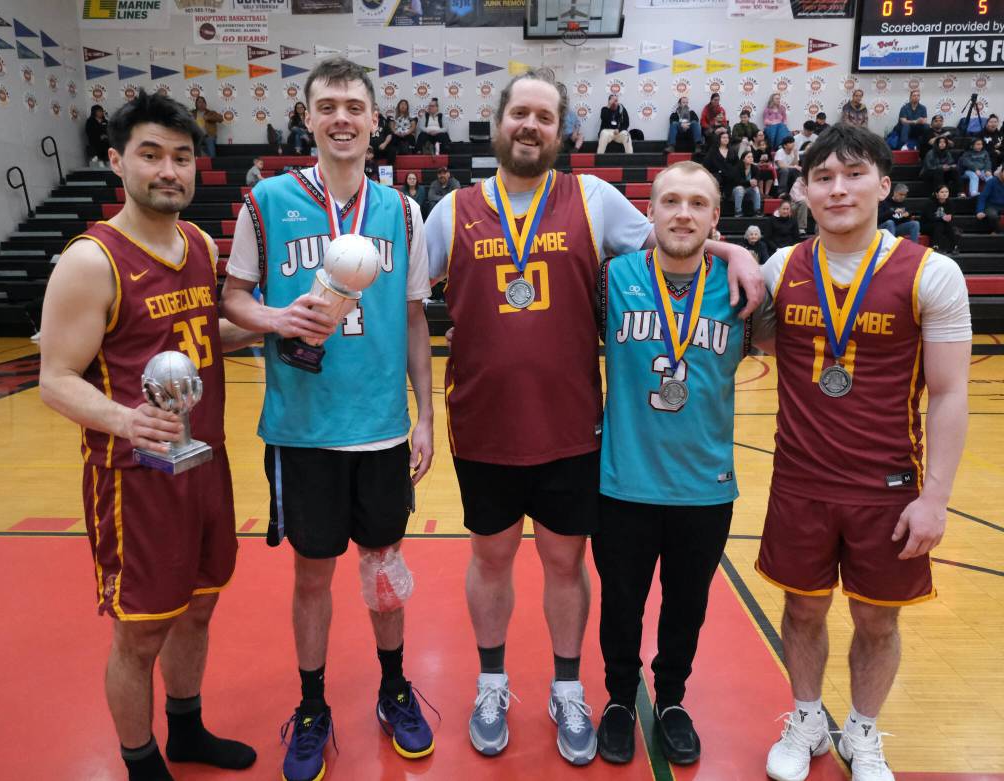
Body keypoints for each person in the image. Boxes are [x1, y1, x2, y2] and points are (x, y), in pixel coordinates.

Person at [424, 67, 764, 767]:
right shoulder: (450, 210)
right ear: (497, 123)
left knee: (565, 563)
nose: (530, 126)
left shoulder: (596, 199)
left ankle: (569, 688)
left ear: (562, 131)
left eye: (545, 117)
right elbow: (402, 298)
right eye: (519, 112)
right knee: (489, 558)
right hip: (482, 427)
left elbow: (676, 241)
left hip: (573, 432)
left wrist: (733, 248)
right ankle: (492, 682)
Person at [220, 57, 436, 781]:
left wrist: (425, 417)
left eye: (354, 105)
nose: (341, 118)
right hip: (302, 429)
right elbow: (234, 298)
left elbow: (412, 321)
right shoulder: (266, 201)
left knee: (383, 569)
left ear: (375, 121)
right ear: (307, 118)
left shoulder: (403, 212)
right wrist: (276, 318)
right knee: (313, 575)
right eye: (327, 106)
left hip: (380, 427)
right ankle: (313, 704)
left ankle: (394, 686)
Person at [38, 89, 258, 781]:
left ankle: (187, 730)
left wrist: (270, 323)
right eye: (151, 154)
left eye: (182, 157)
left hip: (206, 462)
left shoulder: (196, 242)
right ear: (116, 161)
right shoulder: (89, 259)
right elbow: (55, 377)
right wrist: (125, 419)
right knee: (140, 631)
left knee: (198, 608)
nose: (170, 170)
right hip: (134, 477)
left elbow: (198, 337)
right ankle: (140, 762)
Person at [759, 123, 971, 781]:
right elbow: (749, 339)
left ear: (884, 183)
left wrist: (935, 497)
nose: (838, 188)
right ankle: (806, 718)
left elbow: (950, 393)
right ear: (805, 190)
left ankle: (864, 731)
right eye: (822, 177)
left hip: (888, 485)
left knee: (877, 621)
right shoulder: (781, 268)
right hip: (799, 478)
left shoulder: (932, 273)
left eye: (853, 174)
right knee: (802, 608)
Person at [592, 162, 776, 767]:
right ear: (650, 212)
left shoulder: (740, 290)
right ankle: (620, 700)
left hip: (705, 486)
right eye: (670, 201)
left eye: (698, 204)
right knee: (621, 604)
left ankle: (670, 700)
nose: (683, 214)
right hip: (624, 482)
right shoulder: (611, 278)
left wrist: (740, 256)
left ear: (715, 218)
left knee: (686, 607)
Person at [920, 185, 961, 253]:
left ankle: (954, 246)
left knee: (946, 225)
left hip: (942, 224)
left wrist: (949, 217)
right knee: (939, 224)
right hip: (927, 225)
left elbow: (951, 215)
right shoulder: (930, 203)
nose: (945, 193)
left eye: (946, 192)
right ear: (937, 194)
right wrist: (942, 218)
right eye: (942, 192)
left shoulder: (950, 203)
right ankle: (935, 246)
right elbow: (930, 217)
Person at [702, 129, 736, 196]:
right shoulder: (714, 150)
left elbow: (736, 163)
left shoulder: (732, 150)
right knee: (716, 178)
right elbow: (707, 163)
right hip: (716, 172)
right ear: (719, 139)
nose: (726, 139)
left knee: (732, 177)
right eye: (723, 137)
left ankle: (728, 196)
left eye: (727, 138)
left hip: (729, 173)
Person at [730, 149, 762, 217]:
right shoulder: (737, 168)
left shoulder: (755, 168)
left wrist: (755, 182)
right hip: (736, 192)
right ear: (743, 159)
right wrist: (749, 182)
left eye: (752, 157)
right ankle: (738, 211)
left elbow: (757, 178)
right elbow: (736, 181)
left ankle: (757, 210)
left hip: (748, 192)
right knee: (740, 189)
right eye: (748, 157)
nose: (751, 158)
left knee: (756, 188)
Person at [975, 165, 1004, 234]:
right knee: (993, 216)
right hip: (991, 206)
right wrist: (980, 211)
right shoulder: (991, 182)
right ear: (1001, 172)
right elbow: (982, 197)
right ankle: (999, 233)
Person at [747, 128, 776, 197]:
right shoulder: (749, 147)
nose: (762, 136)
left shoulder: (767, 148)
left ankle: (767, 194)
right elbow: (749, 160)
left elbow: (770, 159)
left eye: (763, 135)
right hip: (754, 166)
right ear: (754, 138)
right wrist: (757, 164)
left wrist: (768, 163)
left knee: (769, 173)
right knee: (759, 172)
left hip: (765, 166)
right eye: (760, 135)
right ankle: (761, 194)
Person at [560, 84, 585, 151]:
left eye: (566, 101)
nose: (565, 103)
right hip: (561, 135)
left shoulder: (571, 113)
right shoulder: (557, 113)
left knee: (581, 136)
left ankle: (575, 150)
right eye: (563, 101)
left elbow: (577, 124)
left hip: (571, 135)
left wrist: (575, 132)